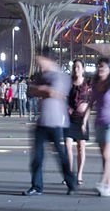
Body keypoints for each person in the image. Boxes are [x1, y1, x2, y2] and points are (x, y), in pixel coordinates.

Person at [23, 47, 77, 196]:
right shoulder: (43, 75)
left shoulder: (60, 76)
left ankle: (71, 183)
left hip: (56, 122)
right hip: (42, 122)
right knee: (37, 157)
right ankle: (36, 186)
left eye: (40, 59)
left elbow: (53, 92)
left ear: (47, 59)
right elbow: (30, 91)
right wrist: (42, 89)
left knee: (61, 156)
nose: (38, 62)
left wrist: (39, 89)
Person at [89, 56, 110, 197]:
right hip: (99, 123)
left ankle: (103, 182)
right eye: (99, 66)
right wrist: (85, 117)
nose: (100, 68)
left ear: (109, 69)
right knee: (106, 157)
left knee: (107, 154)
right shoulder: (95, 85)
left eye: (103, 66)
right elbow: (91, 103)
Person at [64, 59, 90, 186]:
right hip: (69, 118)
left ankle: (79, 174)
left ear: (83, 69)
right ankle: (69, 174)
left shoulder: (87, 85)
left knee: (81, 147)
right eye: (74, 67)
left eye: (79, 67)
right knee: (67, 145)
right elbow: (63, 98)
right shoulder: (68, 84)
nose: (76, 69)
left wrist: (85, 121)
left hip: (82, 119)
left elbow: (90, 104)